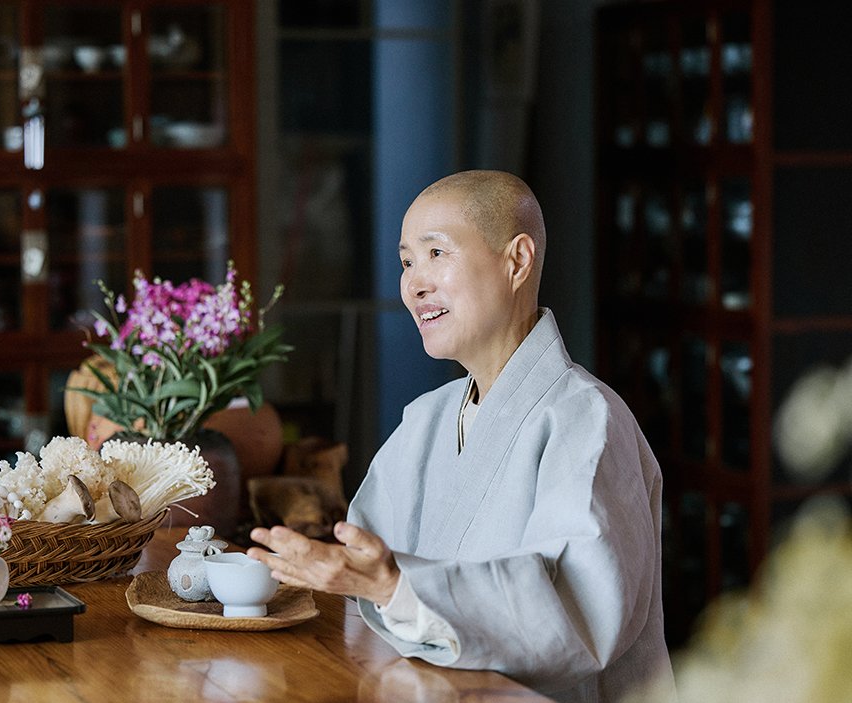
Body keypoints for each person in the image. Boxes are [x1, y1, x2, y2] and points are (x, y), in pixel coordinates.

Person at [247, 170, 675, 703]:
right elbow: (362, 578)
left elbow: (579, 611)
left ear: (517, 260)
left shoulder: (587, 419)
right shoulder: (426, 419)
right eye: (406, 261)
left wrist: (395, 586)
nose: (414, 283)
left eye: (436, 254)